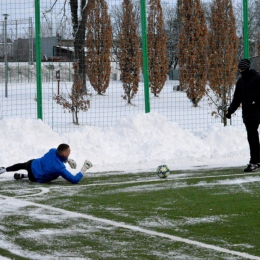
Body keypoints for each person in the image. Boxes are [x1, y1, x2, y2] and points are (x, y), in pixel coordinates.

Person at [226, 58, 260, 172]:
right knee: (252, 138)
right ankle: (255, 161)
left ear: (247, 68)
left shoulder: (257, 78)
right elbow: (236, 99)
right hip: (249, 115)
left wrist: (255, 100)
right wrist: (230, 111)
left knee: (253, 138)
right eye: (239, 69)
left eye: (242, 69)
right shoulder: (240, 82)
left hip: (258, 110)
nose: (240, 71)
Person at [0, 143, 93, 184]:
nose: (70, 153)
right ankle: (25, 176)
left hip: (31, 164)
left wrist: (67, 160)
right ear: (64, 154)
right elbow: (74, 180)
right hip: (34, 178)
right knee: (52, 174)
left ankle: (3, 170)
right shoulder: (60, 168)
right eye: (69, 152)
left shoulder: (53, 150)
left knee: (21, 165)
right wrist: (83, 169)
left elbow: (56, 157)